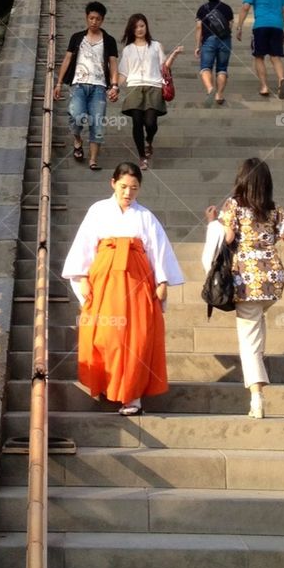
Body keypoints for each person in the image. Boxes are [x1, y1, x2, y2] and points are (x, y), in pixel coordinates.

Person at [61, 161, 185, 415]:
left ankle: (132, 396)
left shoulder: (146, 217)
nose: (128, 193)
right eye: (123, 187)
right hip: (104, 281)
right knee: (106, 335)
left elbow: (158, 250)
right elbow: (85, 244)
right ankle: (108, 383)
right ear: (113, 183)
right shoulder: (98, 211)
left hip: (138, 283)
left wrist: (162, 282)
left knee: (138, 338)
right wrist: (82, 275)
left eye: (134, 188)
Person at [209, 157, 284, 418]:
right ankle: (259, 368)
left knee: (249, 338)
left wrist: (213, 222)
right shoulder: (274, 209)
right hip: (273, 280)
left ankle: (257, 395)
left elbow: (227, 237)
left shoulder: (234, 206)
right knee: (257, 325)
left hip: (246, 280)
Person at [53, 0, 119, 170]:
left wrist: (114, 86)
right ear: (86, 18)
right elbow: (67, 59)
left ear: (102, 20)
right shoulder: (77, 38)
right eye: (91, 18)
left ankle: (93, 160)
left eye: (97, 19)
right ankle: (77, 140)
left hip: (99, 86)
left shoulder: (109, 40)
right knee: (76, 115)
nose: (94, 22)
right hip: (79, 84)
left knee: (97, 123)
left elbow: (113, 64)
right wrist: (59, 83)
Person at [117, 14, 183, 169]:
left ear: (146, 26)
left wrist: (173, 55)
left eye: (142, 26)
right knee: (137, 122)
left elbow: (164, 67)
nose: (139, 29)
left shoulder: (156, 46)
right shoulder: (128, 49)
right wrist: (115, 87)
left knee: (151, 122)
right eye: (136, 27)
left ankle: (149, 140)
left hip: (154, 86)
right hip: (134, 87)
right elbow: (124, 73)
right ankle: (142, 156)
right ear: (131, 30)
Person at [235, 0, 284, 99]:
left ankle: (264, 86)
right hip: (277, 26)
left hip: (261, 26)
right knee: (275, 56)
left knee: (259, 56)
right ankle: (281, 79)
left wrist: (239, 26)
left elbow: (245, 7)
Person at [194, 0, 233, 107]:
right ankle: (219, 95)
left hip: (208, 40)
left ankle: (210, 89)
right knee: (222, 69)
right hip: (225, 40)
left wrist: (197, 46)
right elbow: (230, 25)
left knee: (205, 67)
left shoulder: (202, 9)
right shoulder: (227, 8)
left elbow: (199, 28)